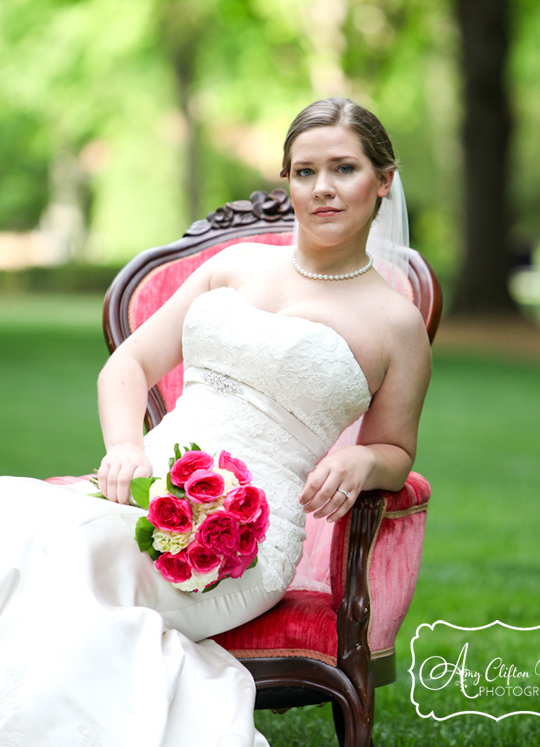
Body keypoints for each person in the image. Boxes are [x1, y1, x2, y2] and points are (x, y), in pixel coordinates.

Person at [0, 97, 431, 746]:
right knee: (20, 521)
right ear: (286, 180)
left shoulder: (396, 325)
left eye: (342, 169)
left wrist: (362, 460)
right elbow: (128, 367)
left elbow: (395, 448)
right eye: (304, 171)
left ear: (383, 180)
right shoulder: (233, 268)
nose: (322, 189)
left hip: (243, 538)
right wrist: (123, 447)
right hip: (144, 490)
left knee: (64, 544)